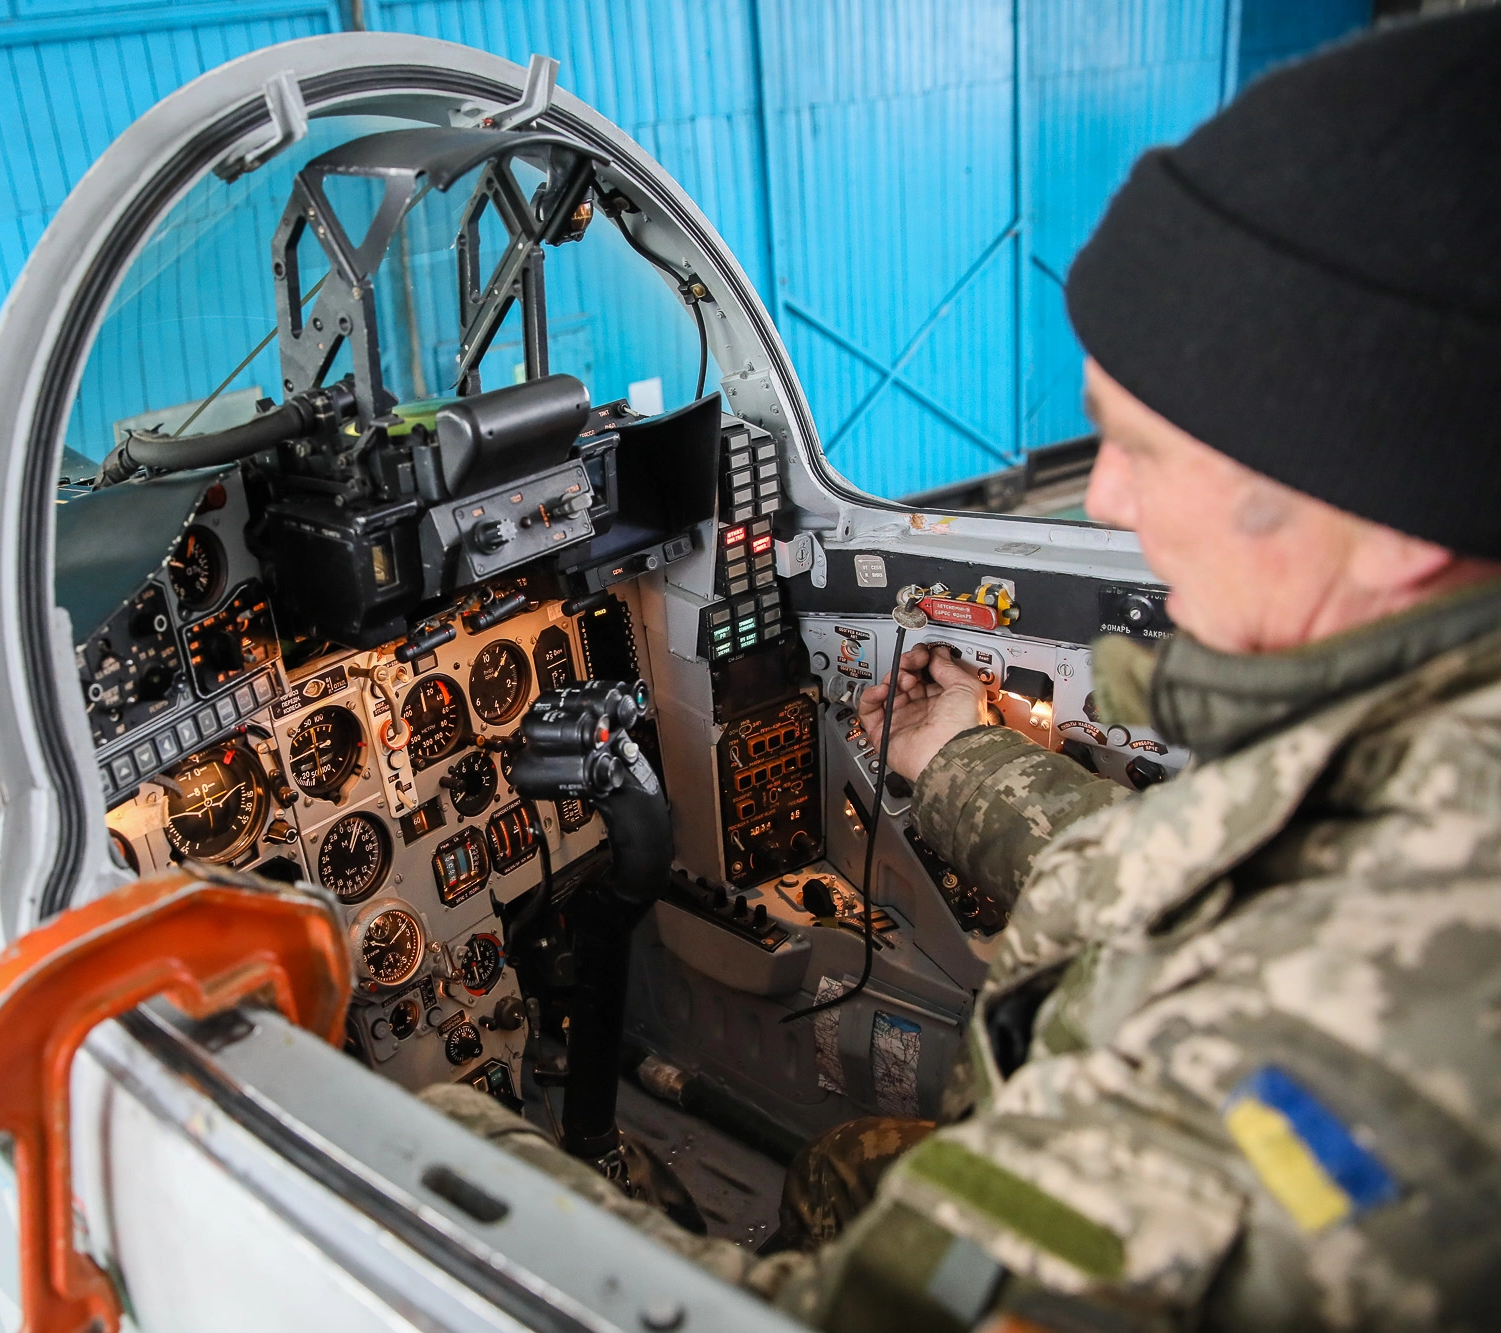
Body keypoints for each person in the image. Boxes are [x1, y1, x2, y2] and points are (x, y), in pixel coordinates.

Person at [428, 9, 1501, 1330]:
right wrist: (961, 759)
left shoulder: (1295, 1059)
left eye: (1144, 451)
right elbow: (1213, 869)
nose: (1106, 497)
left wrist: (438, 1150)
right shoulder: (1431, 766)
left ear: (1390, 522)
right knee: (844, 1169)